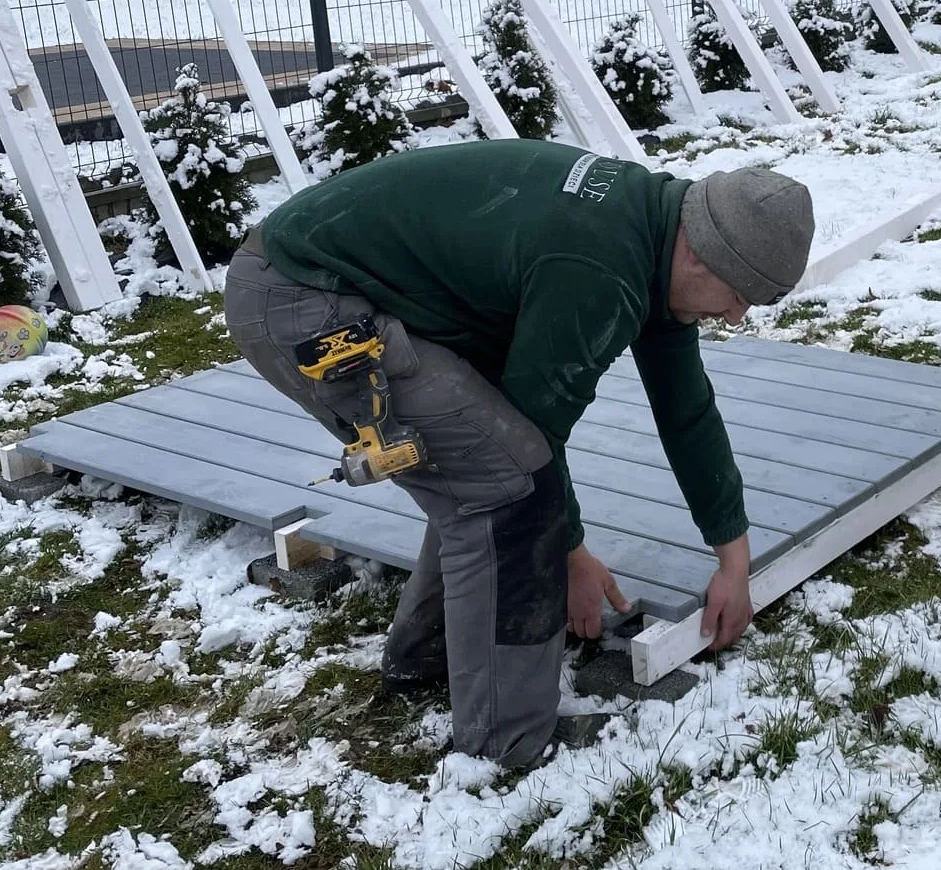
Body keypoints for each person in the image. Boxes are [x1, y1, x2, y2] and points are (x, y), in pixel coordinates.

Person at [224, 141, 814, 763]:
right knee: (510, 484)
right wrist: (569, 556)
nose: (736, 315)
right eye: (738, 294)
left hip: (331, 281)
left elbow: (685, 408)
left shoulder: (657, 228)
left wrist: (733, 562)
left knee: (481, 467)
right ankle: (504, 740)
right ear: (698, 252)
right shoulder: (599, 265)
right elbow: (534, 432)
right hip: (302, 300)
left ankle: (427, 657)